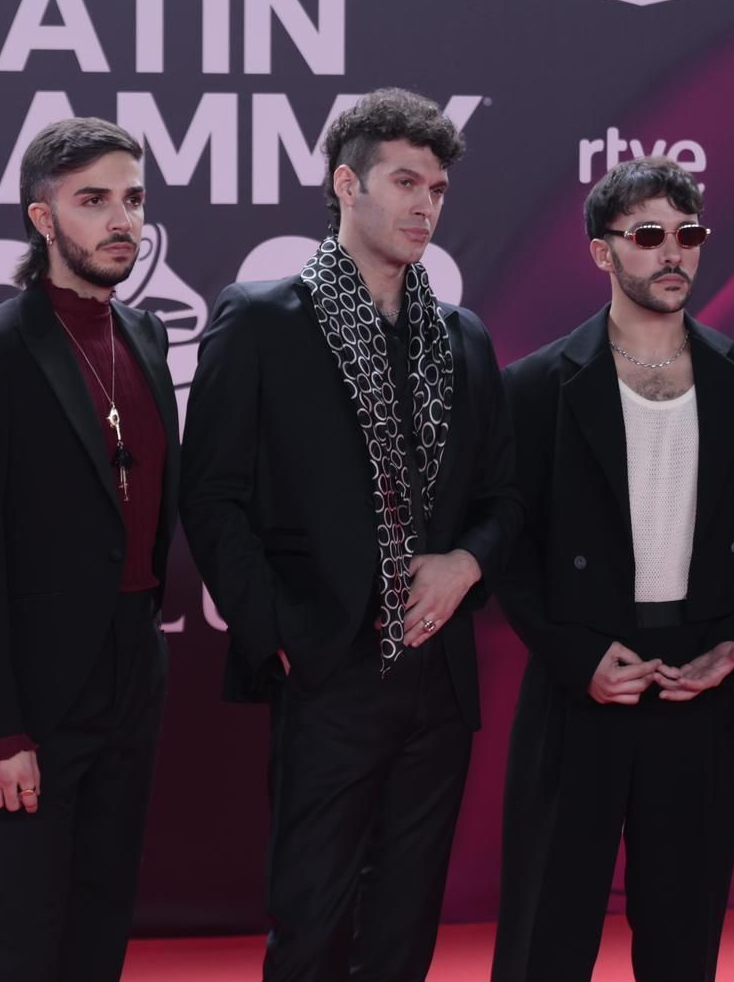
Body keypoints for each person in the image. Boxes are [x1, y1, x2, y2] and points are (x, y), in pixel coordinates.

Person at [181, 87, 521, 981]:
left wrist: (467, 563)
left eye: (438, 188)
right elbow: (210, 496)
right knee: (312, 922)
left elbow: (505, 496)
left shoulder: (463, 337)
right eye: (404, 181)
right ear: (345, 183)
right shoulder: (260, 319)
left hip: (437, 677)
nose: (425, 206)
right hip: (326, 668)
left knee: (405, 929)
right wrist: (282, 637)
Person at [491, 157, 734, 982]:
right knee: (545, 931)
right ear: (602, 253)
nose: (675, 253)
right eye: (649, 236)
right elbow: (509, 545)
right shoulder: (534, 387)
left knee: (683, 931)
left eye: (689, 235)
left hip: (697, 681)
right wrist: (573, 657)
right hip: (579, 676)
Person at [0, 117, 180, 982]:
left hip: (129, 673)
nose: (122, 221)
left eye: (133, 199)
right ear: (43, 219)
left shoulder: (146, 337)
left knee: (99, 924)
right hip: (28, 695)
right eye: (93, 200)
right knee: (20, 939)